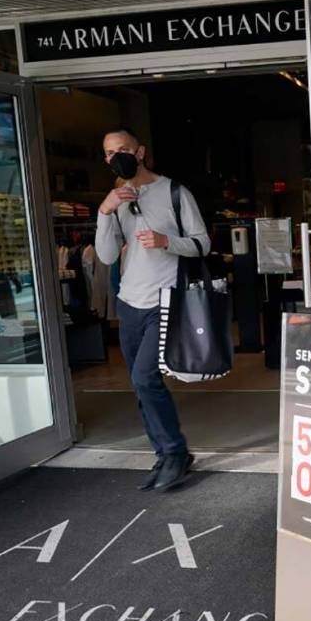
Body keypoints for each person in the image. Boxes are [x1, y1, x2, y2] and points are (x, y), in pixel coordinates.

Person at [95, 128, 211, 491]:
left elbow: (203, 243)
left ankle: (175, 452)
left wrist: (167, 242)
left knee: (146, 379)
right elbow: (106, 256)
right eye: (111, 153)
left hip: (166, 300)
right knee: (139, 383)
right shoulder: (114, 200)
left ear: (140, 151)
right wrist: (105, 210)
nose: (118, 157)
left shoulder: (175, 192)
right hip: (129, 303)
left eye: (124, 150)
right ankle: (164, 453)